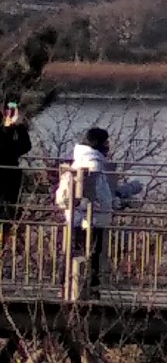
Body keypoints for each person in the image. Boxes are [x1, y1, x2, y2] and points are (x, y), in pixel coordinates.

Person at [56, 127, 140, 298]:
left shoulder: (82, 161)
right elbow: (98, 195)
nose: (108, 146)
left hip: (79, 217)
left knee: (75, 252)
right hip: (89, 219)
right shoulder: (93, 164)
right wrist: (114, 203)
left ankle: (67, 285)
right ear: (98, 144)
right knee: (90, 253)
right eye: (106, 142)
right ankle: (86, 288)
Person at [0, 101, 31, 221]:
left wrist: (15, 127)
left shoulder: (10, 133)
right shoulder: (7, 135)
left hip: (11, 175)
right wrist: (13, 128)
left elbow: (24, 146)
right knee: (7, 207)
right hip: (7, 174)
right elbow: (7, 148)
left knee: (9, 207)